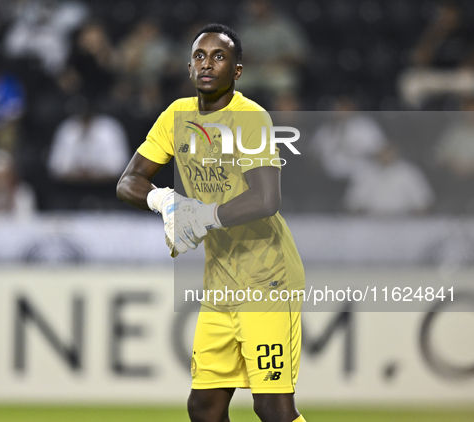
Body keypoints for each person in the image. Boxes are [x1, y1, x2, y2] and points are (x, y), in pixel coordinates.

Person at [117, 24, 306, 422]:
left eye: (219, 56)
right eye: (200, 56)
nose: (207, 63)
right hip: (219, 284)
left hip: (267, 279)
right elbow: (128, 181)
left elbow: (267, 199)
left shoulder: (250, 118)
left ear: (237, 71)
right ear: (189, 68)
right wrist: (165, 200)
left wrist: (202, 216)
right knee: (204, 406)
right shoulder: (176, 116)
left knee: (272, 408)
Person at [344, 144, 434, 216]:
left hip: (404, 221)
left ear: (395, 153)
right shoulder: (364, 173)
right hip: (370, 221)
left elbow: (423, 202)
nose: (385, 156)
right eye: (383, 152)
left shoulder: (409, 172)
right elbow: (353, 202)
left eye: (388, 152)